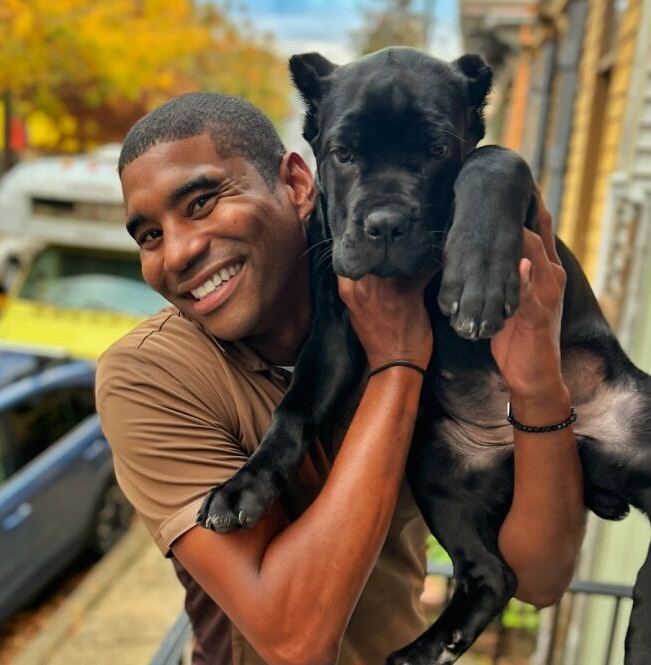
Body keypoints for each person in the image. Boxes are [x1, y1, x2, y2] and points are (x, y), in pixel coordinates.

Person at [96, 92, 585, 665]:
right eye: (149, 235)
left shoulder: (418, 293)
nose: (177, 253)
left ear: (299, 184)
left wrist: (537, 385)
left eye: (202, 202)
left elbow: (539, 579)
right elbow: (293, 637)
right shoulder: (148, 375)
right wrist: (399, 363)